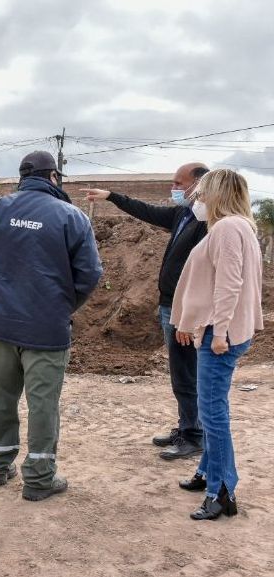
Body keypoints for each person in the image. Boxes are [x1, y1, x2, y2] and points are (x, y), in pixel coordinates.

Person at [0, 150, 102, 501]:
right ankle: (39, 479)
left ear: (22, 177)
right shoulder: (72, 218)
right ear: (53, 177)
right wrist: (61, 307)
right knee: (42, 404)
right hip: (47, 331)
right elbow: (90, 274)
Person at [82, 163, 209, 460]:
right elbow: (146, 211)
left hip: (186, 311)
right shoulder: (184, 214)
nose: (174, 188)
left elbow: (205, 275)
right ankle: (186, 426)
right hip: (171, 305)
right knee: (180, 373)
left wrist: (191, 316)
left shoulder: (208, 222)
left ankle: (194, 436)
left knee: (188, 374)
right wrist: (111, 196)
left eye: (180, 183)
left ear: (199, 184)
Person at [170, 169, 263, 520]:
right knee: (213, 409)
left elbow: (229, 284)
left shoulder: (226, 228)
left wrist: (219, 331)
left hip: (218, 335)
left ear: (218, 193)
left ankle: (222, 491)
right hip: (219, 331)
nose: (198, 199)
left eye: (203, 192)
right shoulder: (239, 226)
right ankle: (208, 472)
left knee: (212, 413)